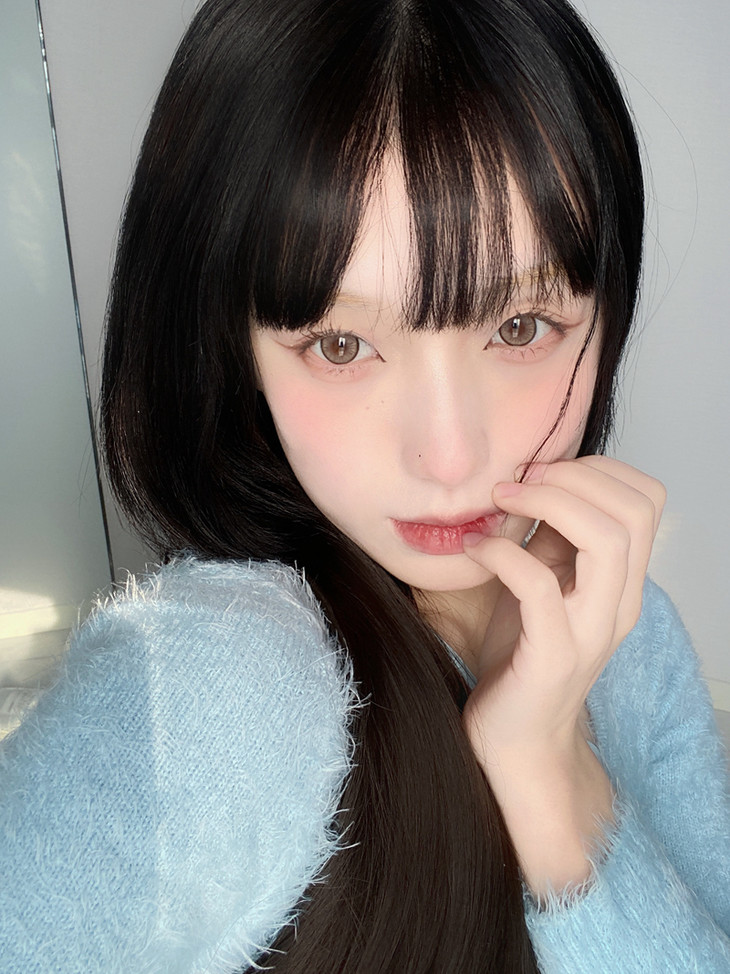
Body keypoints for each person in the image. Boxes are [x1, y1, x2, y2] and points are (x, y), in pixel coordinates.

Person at [1, 0, 728, 970]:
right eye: (341, 344)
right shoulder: (199, 689)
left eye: (520, 327)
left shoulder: (625, 630)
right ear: (234, 349)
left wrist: (548, 769)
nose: (449, 458)